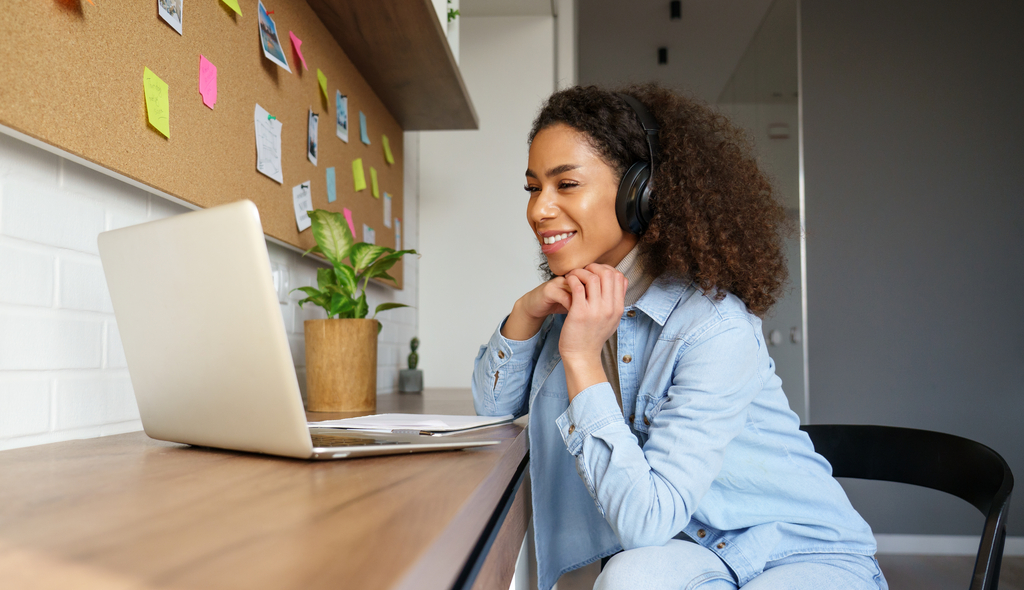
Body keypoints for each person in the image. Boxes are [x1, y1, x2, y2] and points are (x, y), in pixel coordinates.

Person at [471, 84, 888, 590]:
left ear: (640, 192)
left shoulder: (715, 328)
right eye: (534, 188)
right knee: (629, 579)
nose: (540, 210)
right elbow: (493, 407)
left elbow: (645, 520)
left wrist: (580, 357)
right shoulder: (578, 305)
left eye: (566, 184)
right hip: (697, 553)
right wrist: (525, 313)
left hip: (797, 551)